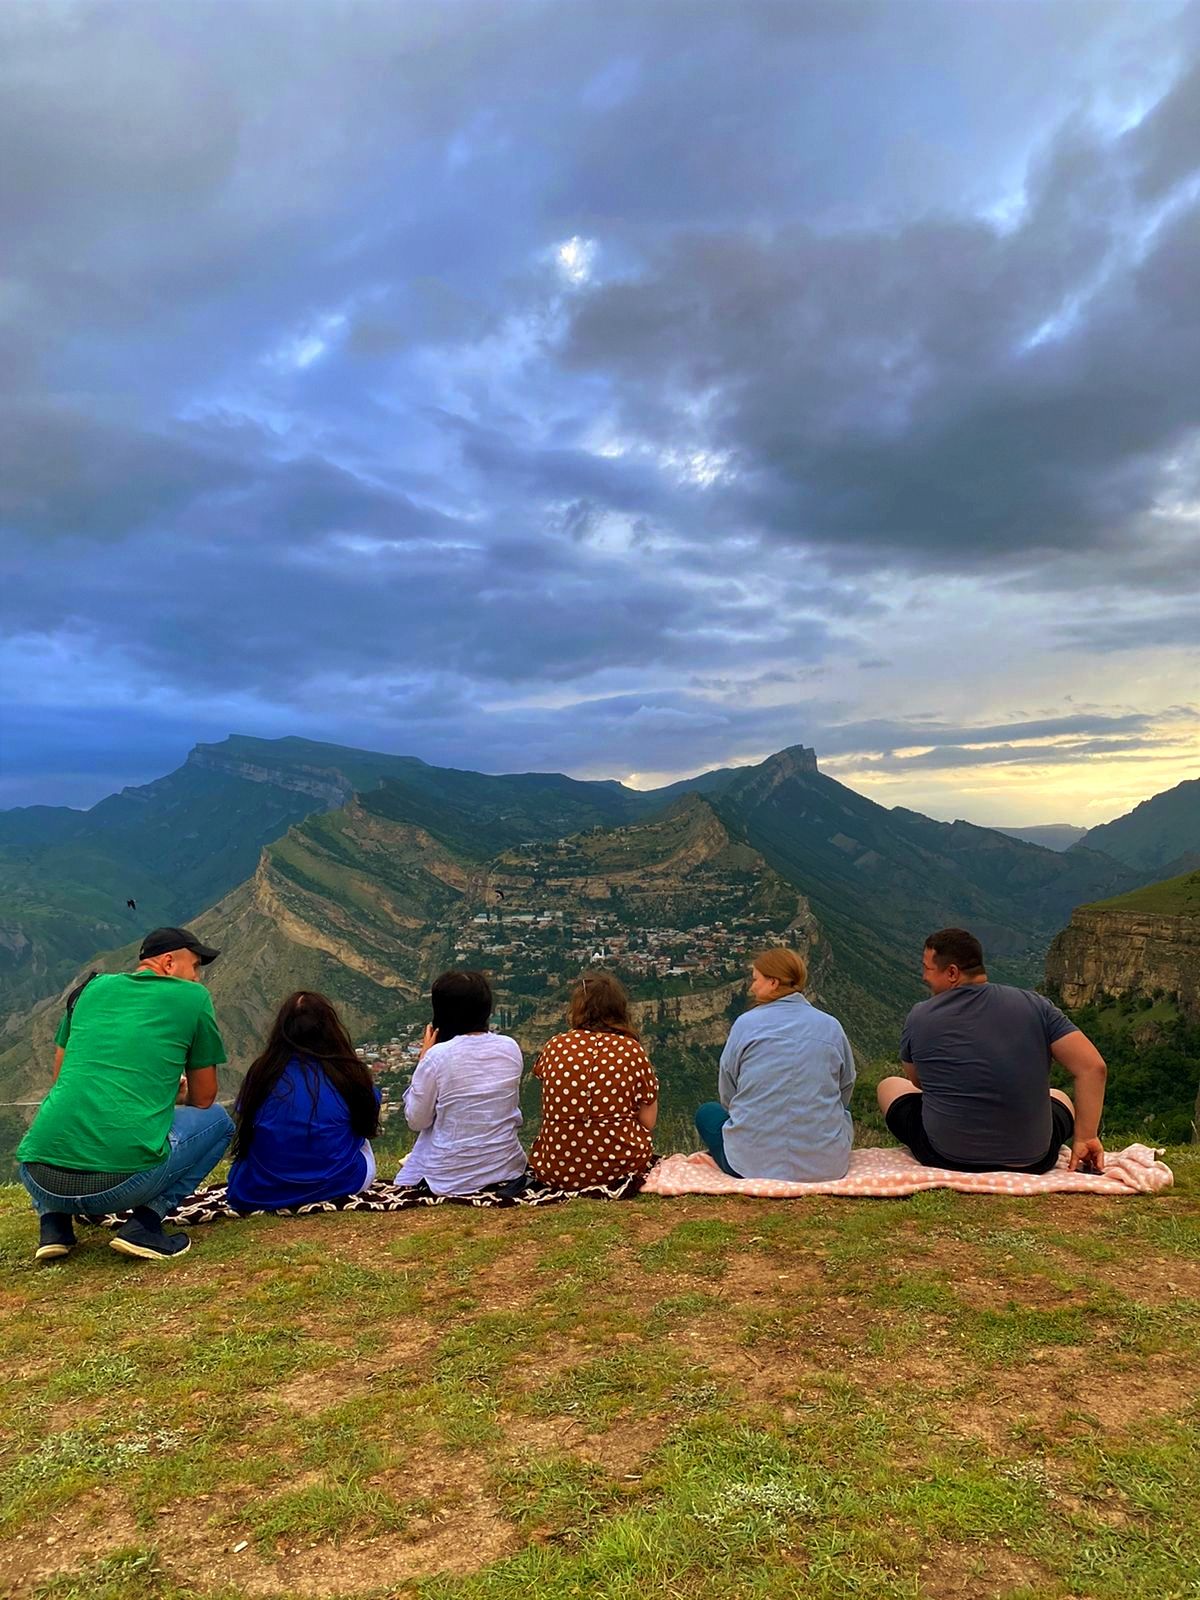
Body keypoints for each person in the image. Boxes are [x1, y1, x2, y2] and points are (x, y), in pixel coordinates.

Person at [17, 927, 234, 1262]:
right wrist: (172, 1099)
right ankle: (145, 1226)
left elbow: (61, 1078)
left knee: (61, 1115)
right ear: (168, 963)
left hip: (38, 1178)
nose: (196, 977)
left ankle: (54, 1226)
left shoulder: (89, 989)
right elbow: (204, 1098)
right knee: (220, 1122)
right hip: (119, 1187)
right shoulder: (193, 998)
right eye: (194, 967)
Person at [876, 927, 1107, 1174]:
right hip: (1032, 1161)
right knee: (1059, 1096)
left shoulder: (920, 1016)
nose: (924, 976)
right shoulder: (1036, 1005)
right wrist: (1086, 1137)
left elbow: (919, 1082)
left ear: (952, 972)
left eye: (927, 968)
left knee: (889, 1085)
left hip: (946, 1156)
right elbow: (1093, 1068)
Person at [695, 948, 855, 1182]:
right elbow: (845, 1087)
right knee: (842, 1112)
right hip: (826, 1167)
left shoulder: (745, 1024)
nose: (752, 987)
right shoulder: (831, 1026)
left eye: (755, 979)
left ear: (773, 982)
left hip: (748, 1165)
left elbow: (728, 1094)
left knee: (707, 1112)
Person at [226, 992, 381, 1212]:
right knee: (359, 1138)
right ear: (330, 1029)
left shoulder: (261, 1074)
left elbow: (246, 1118)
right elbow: (367, 1123)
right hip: (338, 1183)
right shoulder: (349, 1075)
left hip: (261, 1190)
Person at [394, 970, 526, 1195]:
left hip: (450, 1176)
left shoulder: (437, 1057)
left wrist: (423, 1061)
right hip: (506, 1166)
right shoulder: (510, 1047)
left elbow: (417, 1120)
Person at [530, 972, 659, 1189]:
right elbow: (648, 1121)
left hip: (555, 1169)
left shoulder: (555, 1045)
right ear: (619, 1009)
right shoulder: (631, 1050)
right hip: (621, 1168)